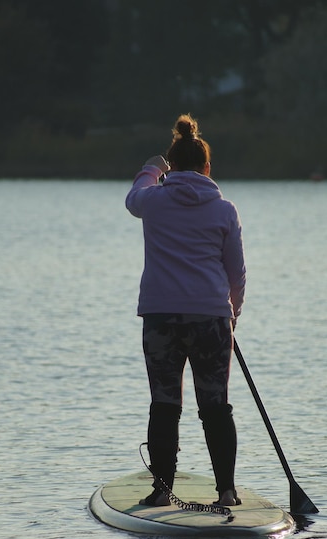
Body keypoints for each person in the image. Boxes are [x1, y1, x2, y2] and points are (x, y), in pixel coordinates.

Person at [125, 114, 246, 507]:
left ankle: (162, 492)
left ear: (171, 169)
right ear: (208, 168)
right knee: (215, 406)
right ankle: (226, 493)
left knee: (165, 405)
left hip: (161, 317)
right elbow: (236, 272)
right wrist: (233, 313)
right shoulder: (225, 209)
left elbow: (132, 198)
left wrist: (150, 168)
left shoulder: (154, 200)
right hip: (212, 318)